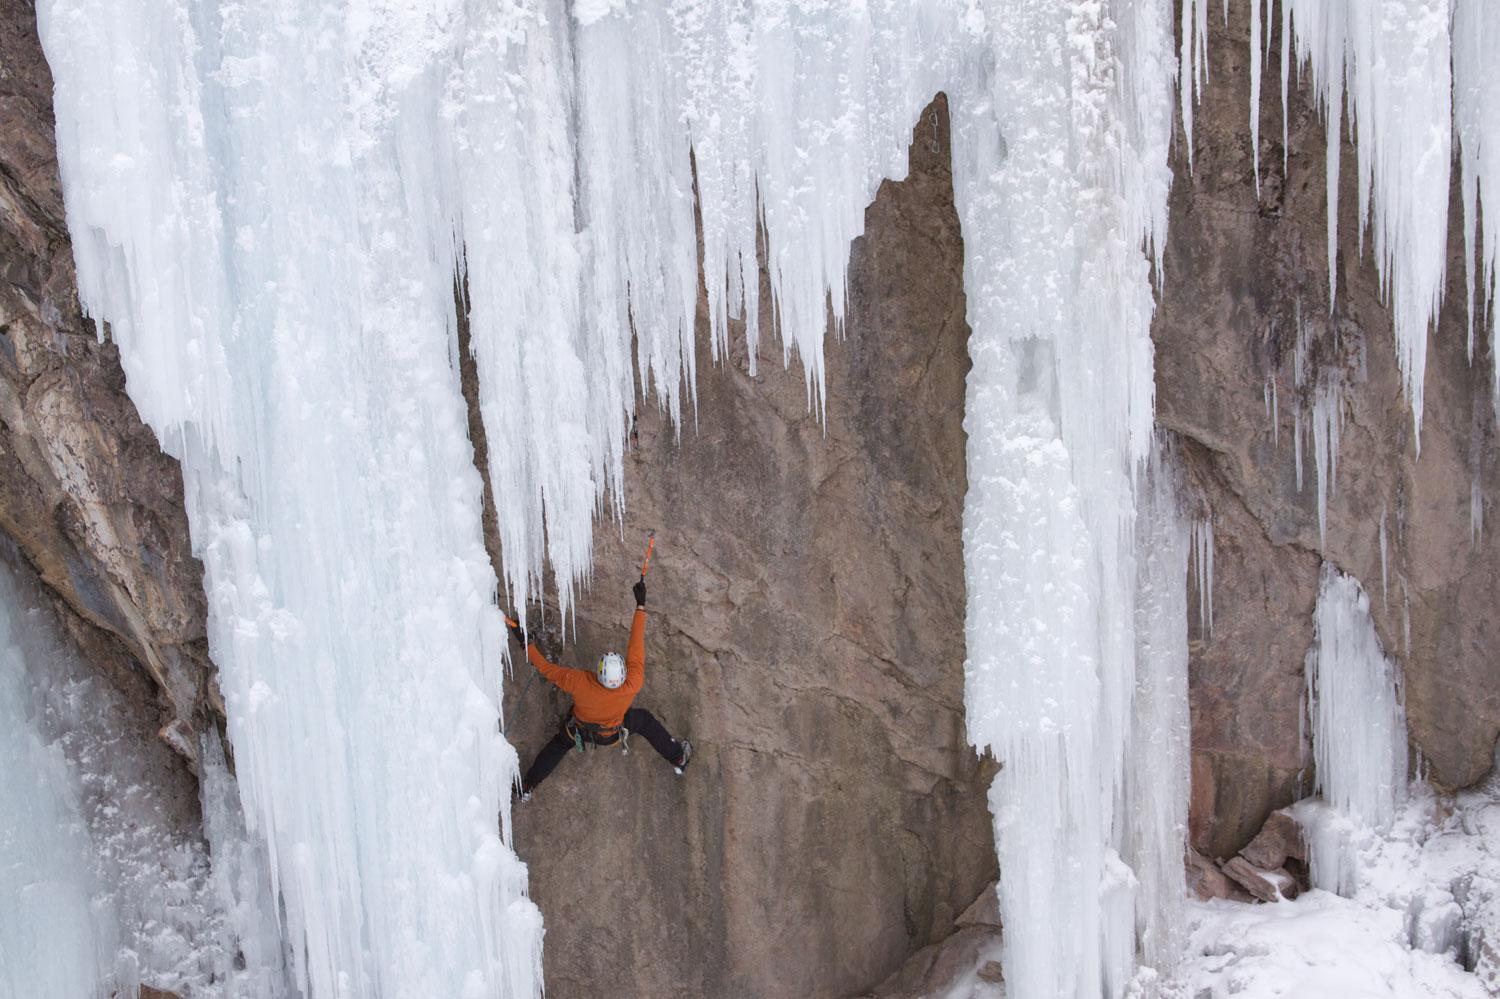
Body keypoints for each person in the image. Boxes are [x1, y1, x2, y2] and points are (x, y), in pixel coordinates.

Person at [511, 577, 692, 800]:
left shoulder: (578, 681)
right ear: (623, 675)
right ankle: (677, 757)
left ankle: (528, 786)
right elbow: (636, 647)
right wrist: (640, 606)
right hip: (611, 735)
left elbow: (546, 669)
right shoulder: (632, 683)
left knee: (558, 745)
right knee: (643, 720)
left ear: (599, 671)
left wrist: (526, 643)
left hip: (578, 730)